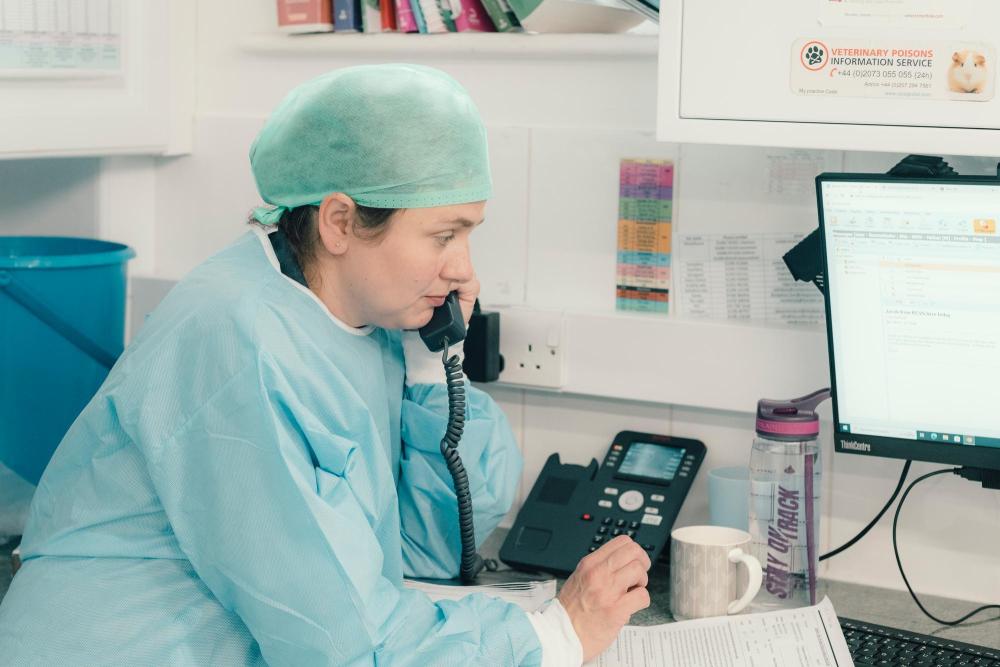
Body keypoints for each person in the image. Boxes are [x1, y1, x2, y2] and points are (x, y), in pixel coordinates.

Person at [0, 64, 650, 665]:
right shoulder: (239, 342)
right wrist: (553, 636)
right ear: (340, 221)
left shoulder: (363, 322)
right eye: (443, 234)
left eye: (470, 233)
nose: (464, 268)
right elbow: (342, 649)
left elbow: (427, 550)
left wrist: (433, 362)